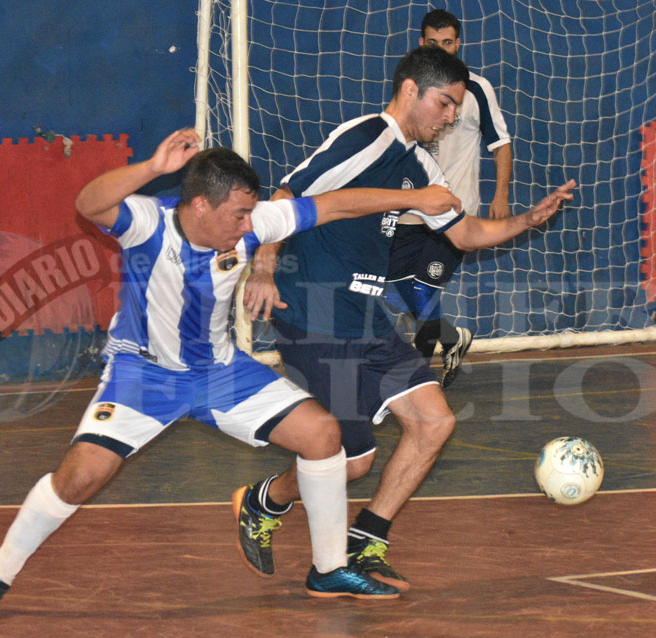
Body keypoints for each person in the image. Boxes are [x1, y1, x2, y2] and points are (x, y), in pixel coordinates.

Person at [0, 128, 466, 622]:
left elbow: (335, 204)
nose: (250, 224)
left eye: (253, 212)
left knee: (322, 434)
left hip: (219, 371)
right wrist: (153, 169)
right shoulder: (147, 221)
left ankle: (329, 569)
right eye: (239, 213)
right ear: (200, 205)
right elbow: (88, 204)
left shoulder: (252, 224)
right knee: (80, 476)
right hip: (145, 375)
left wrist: (417, 197)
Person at [239, 46, 575, 592]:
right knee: (351, 462)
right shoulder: (367, 136)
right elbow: (287, 194)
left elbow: (464, 234)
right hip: (315, 309)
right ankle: (264, 502)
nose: (449, 118)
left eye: (457, 109)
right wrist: (265, 266)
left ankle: (366, 543)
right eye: (445, 104)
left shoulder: (421, 166)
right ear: (411, 90)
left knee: (433, 422)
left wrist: (528, 219)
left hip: (365, 314)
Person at [388, 8, 515, 387]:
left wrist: (501, 195)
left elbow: (501, 143)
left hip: (454, 214)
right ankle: (452, 338)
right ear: (420, 43)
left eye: (448, 43)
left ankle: (410, 385)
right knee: (399, 289)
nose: (441, 49)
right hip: (412, 210)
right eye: (433, 43)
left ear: (459, 44)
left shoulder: (476, 89)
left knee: (425, 289)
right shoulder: (412, 88)